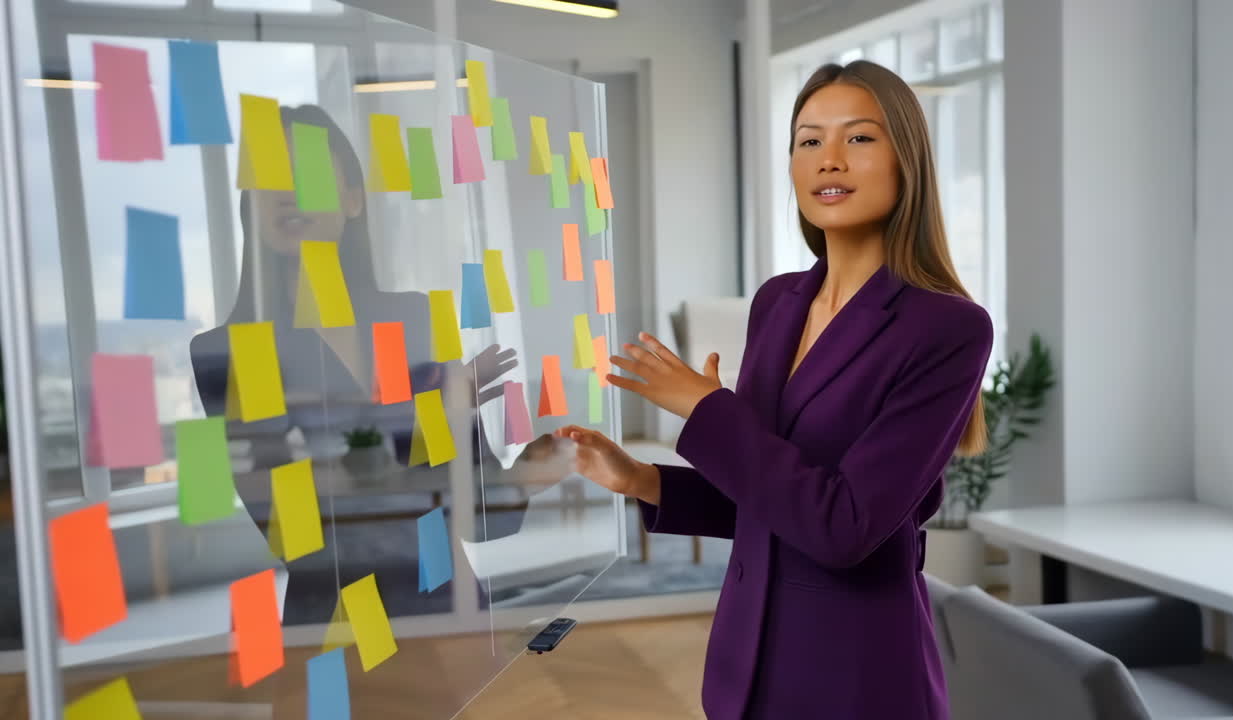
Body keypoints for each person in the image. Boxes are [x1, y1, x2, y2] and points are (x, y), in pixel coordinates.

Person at [555, 60, 993, 719]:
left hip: (857, 681)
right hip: (746, 669)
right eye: (809, 140)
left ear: (909, 160)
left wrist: (705, 409)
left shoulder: (948, 329)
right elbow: (769, 503)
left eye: (860, 138)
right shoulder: (777, 303)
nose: (830, 160)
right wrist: (645, 481)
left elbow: (842, 527)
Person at [189, 104, 567, 623]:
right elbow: (293, 530)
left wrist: (523, 476)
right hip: (335, 618)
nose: (287, 191)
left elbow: (478, 522)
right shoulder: (230, 349)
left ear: (352, 199)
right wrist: (425, 413)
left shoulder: (413, 317)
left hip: (445, 603)